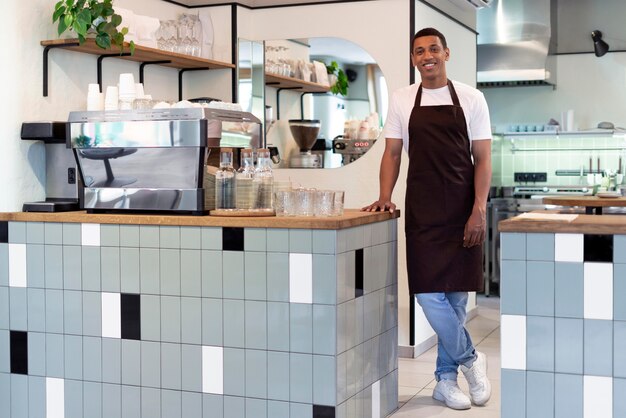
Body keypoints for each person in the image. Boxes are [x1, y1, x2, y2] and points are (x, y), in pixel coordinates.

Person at [363, 27, 492, 410]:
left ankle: (445, 381)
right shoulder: (404, 99)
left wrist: (479, 209)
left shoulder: (471, 98)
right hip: (422, 210)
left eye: (433, 49)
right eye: (419, 51)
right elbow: (391, 154)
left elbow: (483, 158)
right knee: (426, 292)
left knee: (454, 297)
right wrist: (385, 197)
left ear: (446, 53)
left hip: (462, 210)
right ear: (414, 59)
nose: (426, 56)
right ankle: (471, 359)